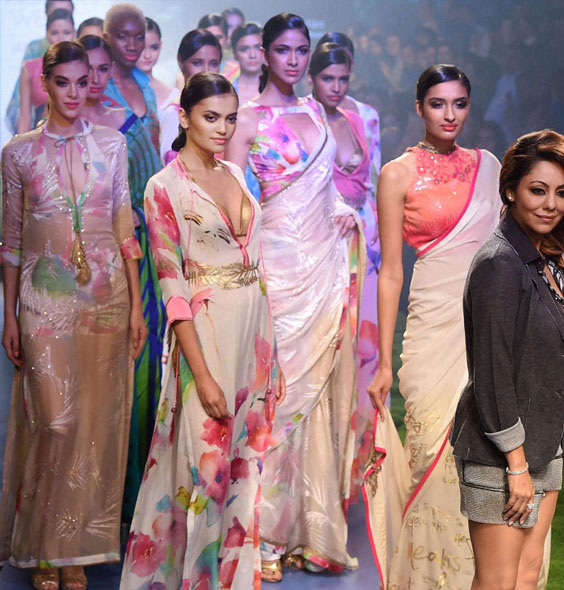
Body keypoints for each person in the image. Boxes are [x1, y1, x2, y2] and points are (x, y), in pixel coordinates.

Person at [120, 72, 284, 590]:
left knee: (243, 477)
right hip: (205, 345)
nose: (222, 128)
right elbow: (173, 291)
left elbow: (258, 271)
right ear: (184, 117)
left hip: (252, 344)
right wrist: (202, 375)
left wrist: (273, 356)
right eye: (210, 117)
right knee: (203, 479)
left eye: (230, 118)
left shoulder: (235, 172)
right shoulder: (163, 187)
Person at [0, 40, 145, 590]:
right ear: (45, 83)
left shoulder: (113, 144)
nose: (74, 93)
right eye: (62, 82)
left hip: (107, 298)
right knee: (54, 422)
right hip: (44, 301)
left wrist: (137, 307)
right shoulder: (18, 153)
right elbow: (11, 241)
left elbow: (125, 226)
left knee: (93, 424)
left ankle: (74, 552)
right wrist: (9, 315)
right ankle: (44, 544)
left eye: (83, 82)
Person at [225, 13, 364, 581]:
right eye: (282, 49)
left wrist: (345, 214)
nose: (293, 59)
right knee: (277, 401)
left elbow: (341, 175)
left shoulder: (319, 113)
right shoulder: (246, 117)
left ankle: (311, 530)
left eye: (301, 50)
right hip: (275, 272)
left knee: (317, 398)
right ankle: (261, 534)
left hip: (324, 269)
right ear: (263, 53)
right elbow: (235, 205)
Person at [362, 64, 501, 590]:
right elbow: (390, 272)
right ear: (419, 107)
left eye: (459, 104)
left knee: (484, 456)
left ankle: (478, 575)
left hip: (486, 325)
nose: (449, 115)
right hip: (429, 325)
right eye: (438, 104)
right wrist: (382, 362)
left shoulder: (489, 167)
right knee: (427, 449)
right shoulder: (397, 174)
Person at [450, 129, 564, 590]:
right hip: (503, 450)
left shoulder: (545, 258)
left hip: (543, 442)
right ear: (510, 190)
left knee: (529, 576)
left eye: (562, 193)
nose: (551, 204)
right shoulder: (500, 264)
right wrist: (516, 464)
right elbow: (491, 374)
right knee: (498, 582)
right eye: (538, 190)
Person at [101, 2, 165, 521]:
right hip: (110, 237)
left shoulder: (147, 85)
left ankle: (141, 490)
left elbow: (157, 157)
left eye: (137, 35)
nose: (131, 43)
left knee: (149, 355)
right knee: (118, 357)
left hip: (151, 234)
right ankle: (108, 492)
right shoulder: (94, 90)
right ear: (106, 37)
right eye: (122, 35)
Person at [308, 43, 381, 496]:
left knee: (364, 352)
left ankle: (359, 464)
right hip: (321, 246)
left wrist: (373, 238)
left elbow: (369, 185)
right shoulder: (302, 121)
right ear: (311, 78)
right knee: (325, 349)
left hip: (362, 245)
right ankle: (321, 464)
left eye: (342, 79)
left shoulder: (360, 118)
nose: (335, 87)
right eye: (327, 78)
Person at [317, 32, 382, 187]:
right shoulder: (302, 113)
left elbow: (373, 172)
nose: (337, 64)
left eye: (343, 59)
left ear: (351, 66)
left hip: (361, 200)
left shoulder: (368, 116)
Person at [4, 0, 74, 134]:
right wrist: (21, 143)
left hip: (76, 136)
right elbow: (24, 114)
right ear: (47, 34)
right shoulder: (32, 63)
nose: (60, 38)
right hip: (40, 135)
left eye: (66, 32)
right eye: (54, 33)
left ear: (74, 33)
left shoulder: (83, 65)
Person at [160, 30, 223, 164]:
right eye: (197, 63)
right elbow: (170, 167)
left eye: (213, 63)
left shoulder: (225, 111)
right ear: (181, 62)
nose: (206, 71)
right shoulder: (174, 114)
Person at [137, 17, 180, 142]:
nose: (147, 55)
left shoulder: (173, 95)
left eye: (154, 47)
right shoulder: (116, 91)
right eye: (141, 48)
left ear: (161, 46)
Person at [77, 35, 126, 130]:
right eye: (88, 69)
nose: (95, 79)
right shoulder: (55, 124)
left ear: (112, 69)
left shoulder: (129, 122)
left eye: (103, 69)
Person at [230, 23, 263, 104]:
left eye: (258, 48)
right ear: (234, 53)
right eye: (244, 49)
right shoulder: (226, 91)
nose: (252, 55)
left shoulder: (279, 90)